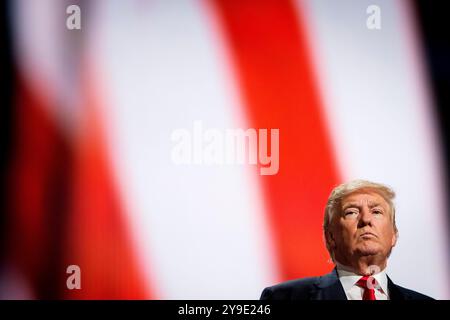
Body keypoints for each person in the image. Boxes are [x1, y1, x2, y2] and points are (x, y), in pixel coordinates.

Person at [260, 180, 433, 300]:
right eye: (351, 212)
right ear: (330, 237)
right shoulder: (284, 297)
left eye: (377, 212)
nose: (366, 219)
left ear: (394, 235)